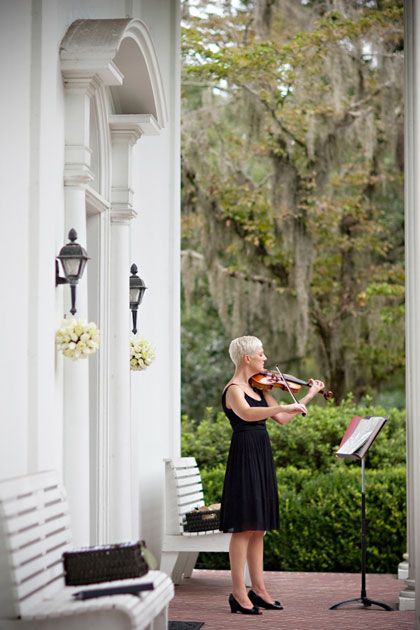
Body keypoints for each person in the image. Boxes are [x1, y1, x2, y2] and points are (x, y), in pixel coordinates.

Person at [219, 335, 325, 615]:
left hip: (261, 454)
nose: (265, 359)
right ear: (247, 358)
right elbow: (247, 415)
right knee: (243, 527)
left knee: (258, 527)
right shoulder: (234, 389)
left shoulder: (260, 387)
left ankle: (260, 590)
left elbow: (282, 419)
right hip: (243, 455)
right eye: (261, 354)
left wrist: (309, 395)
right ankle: (238, 594)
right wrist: (282, 405)